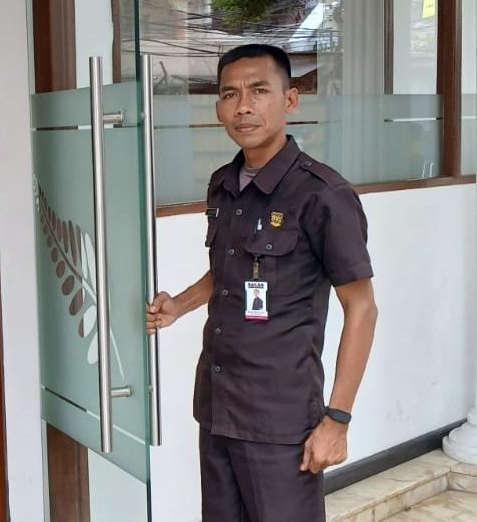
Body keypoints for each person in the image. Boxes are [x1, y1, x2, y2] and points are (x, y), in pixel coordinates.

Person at [146, 44, 378, 522]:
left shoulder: (324, 195)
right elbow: (231, 267)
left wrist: (337, 420)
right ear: (217, 108)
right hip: (217, 406)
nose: (243, 106)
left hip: (280, 420)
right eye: (230, 94)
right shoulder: (223, 183)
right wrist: (181, 305)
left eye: (258, 91)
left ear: (290, 100)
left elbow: (362, 308)